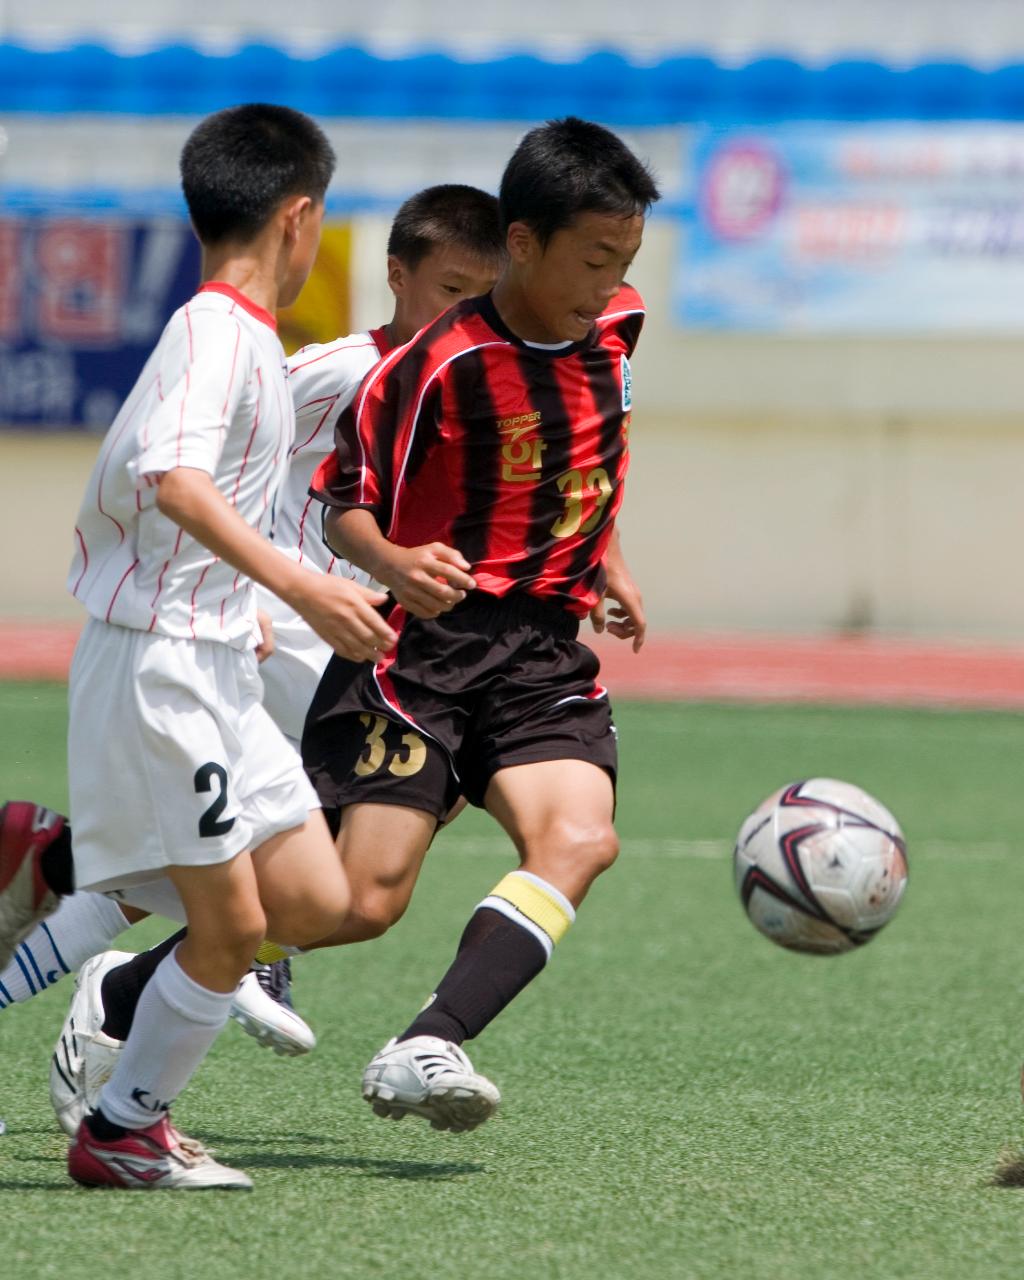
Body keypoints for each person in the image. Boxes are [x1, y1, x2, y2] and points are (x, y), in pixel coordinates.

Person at [36, 184, 505, 1130]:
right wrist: (256, 591)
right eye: (446, 290)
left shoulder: (482, 381)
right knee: (292, 872)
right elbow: (201, 471)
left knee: (344, 881)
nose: (461, 315)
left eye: (479, 296)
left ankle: (148, 965)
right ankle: (148, 962)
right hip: (288, 634)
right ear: (396, 273)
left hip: (372, 640)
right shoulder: (329, 368)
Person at [54, 102, 395, 1190]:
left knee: (312, 904)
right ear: (301, 219)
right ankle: (122, 1128)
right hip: (161, 664)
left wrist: (238, 599)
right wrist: (297, 584)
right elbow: (176, 480)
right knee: (234, 923)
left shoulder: (244, 339)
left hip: (210, 661)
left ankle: (41, 859)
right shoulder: (215, 332)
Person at [299, 115, 658, 1132]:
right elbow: (343, 499)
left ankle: (432, 1037)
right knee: (360, 901)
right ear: (521, 242)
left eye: (623, 261)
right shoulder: (437, 364)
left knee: (581, 836)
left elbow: (591, 453)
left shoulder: (619, 329)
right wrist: (394, 563)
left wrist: (608, 559)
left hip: (541, 648)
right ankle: (131, 983)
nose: (606, 285)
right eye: (591, 259)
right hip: (426, 649)